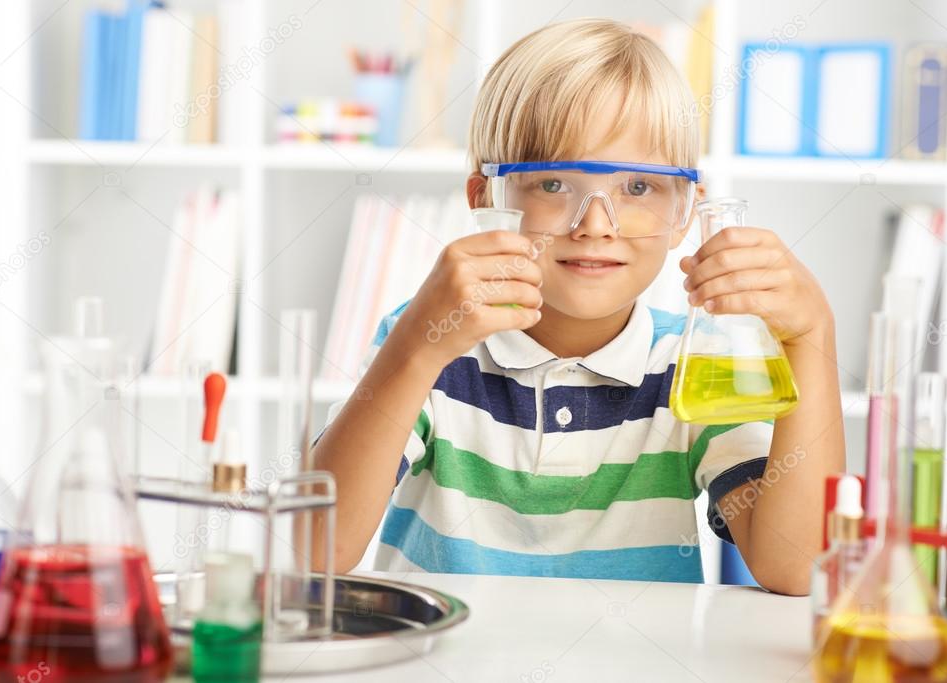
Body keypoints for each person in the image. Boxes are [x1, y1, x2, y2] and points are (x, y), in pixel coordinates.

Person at [313, 18, 844, 595]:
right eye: (554, 184)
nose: (595, 225)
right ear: (486, 199)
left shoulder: (690, 363)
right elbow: (315, 549)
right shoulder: (432, 345)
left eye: (637, 189)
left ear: (685, 213)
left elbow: (797, 568)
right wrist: (415, 348)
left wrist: (812, 340)